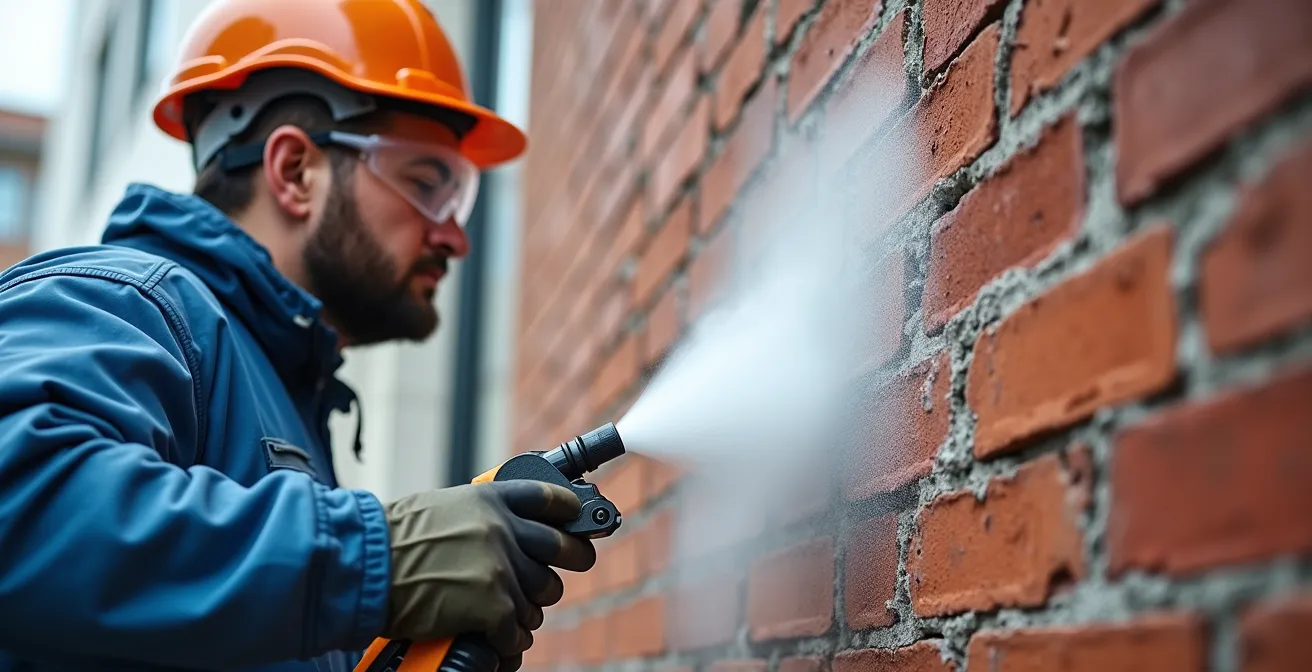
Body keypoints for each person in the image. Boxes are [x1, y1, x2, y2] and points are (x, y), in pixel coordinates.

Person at [0, 1, 594, 671]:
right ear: (294, 171)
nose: (454, 235)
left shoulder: (279, 387)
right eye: (429, 184)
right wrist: (378, 560)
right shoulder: (126, 300)